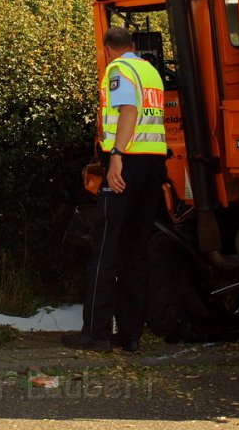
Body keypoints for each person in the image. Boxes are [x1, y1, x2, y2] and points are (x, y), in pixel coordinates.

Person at [62, 27, 167, 352]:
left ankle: (97, 334)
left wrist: (117, 156)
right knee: (136, 251)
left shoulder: (118, 69)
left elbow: (128, 111)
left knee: (106, 247)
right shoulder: (150, 71)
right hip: (153, 166)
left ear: (108, 49)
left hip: (127, 163)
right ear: (133, 46)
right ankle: (131, 336)